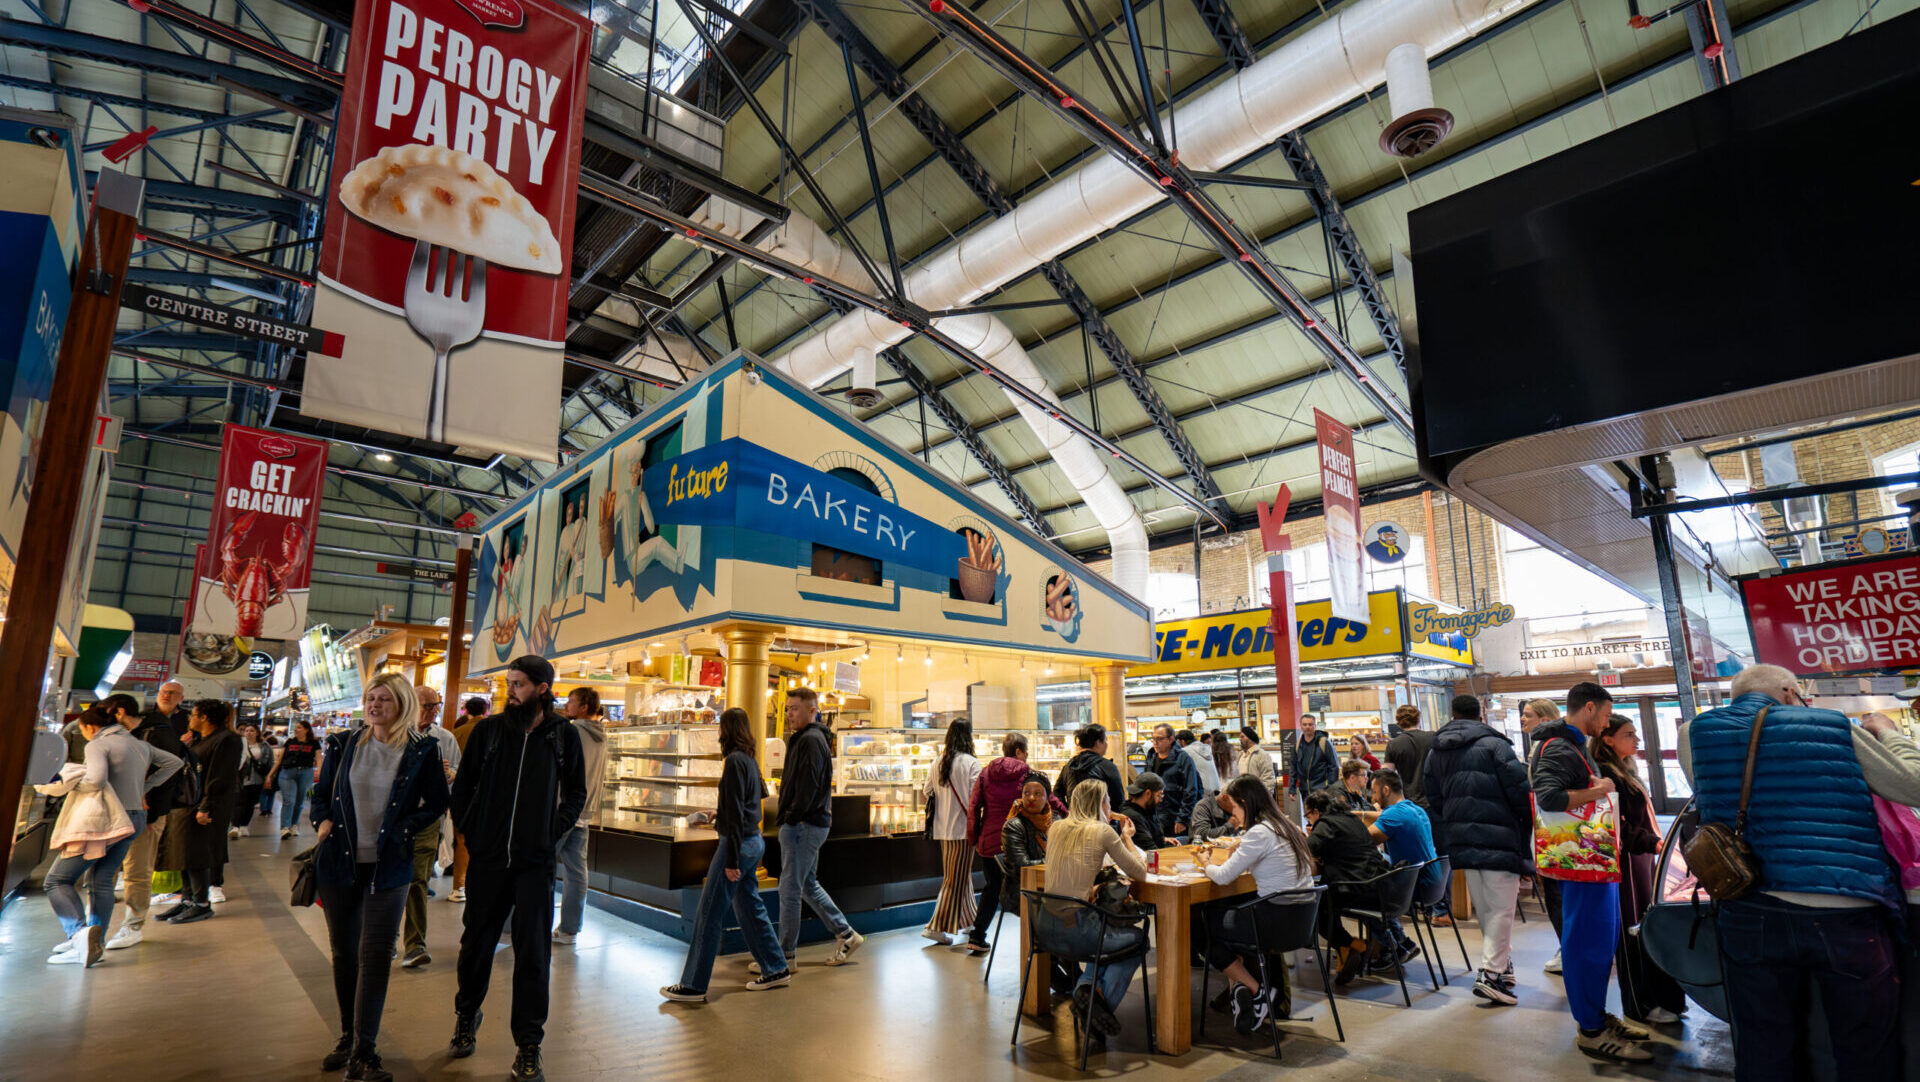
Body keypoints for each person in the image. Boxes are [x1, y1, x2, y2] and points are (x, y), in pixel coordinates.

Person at [1684, 664, 1920, 1082]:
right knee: (1864, 1044)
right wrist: (1889, 733)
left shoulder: (1693, 733)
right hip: (1842, 907)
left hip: (1747, 905)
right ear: (1791, 692)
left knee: (1762, 1044)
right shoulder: (1830, 726)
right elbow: (1912, 785)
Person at [448, 655, 586, 1082]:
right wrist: (471, 830)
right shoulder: (489, 732)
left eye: (520, 684)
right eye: (509, 683)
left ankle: (529, 1045)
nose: (512, 691)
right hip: (488, 861)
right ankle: (466, 1015)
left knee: (533, 955)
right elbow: (464, 785)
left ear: (542, 688)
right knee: (476, 945)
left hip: (534, 864)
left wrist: (550, 834)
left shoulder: (562, 736)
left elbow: (576, 793)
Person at [309, 674, 450, 1082]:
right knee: (343, 952)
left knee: (375, 957)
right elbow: (321, 795)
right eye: (371, 698)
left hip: (389, 866)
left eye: (384, 699)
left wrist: (406, 828)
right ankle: (346, 1037)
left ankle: (365, 1052)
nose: (374, 705)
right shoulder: (343, 743)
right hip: (339, 862)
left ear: (402, 703)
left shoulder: (422, 751)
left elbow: (439, 802)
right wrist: (323, 820)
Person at [1530, 681, 1651, 1065]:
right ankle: (1591, 1031)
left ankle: (1595, 1017)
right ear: (1588, 707)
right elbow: (1547, 797)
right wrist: (1601, 791)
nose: (1606, 722)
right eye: (1604, 714)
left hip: (1592, 861)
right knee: (1586, 946)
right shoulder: (1558, 748)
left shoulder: (1572, 745)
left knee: (1600, 944)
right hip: (1579, 865)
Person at [660, 708, 792, 1002]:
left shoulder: (733, 761)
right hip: (752, 840)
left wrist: (731, 860)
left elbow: (735, 814)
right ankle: (776, 966)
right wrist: (719, 815)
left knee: (709, 913)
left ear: (726, 730)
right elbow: (753, 801)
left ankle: (694, 985)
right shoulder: (749, 759)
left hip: (737, 845)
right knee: (748, 907)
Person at [40, 704, 182, 966]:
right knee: (102, 880)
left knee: (57, 880)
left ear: (90, 727)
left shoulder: (97, 745)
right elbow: (175, 762)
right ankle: (95, 942)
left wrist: (66, 784)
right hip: (134, 817)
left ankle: (79, 935)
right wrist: (145, 787)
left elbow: (95, 780)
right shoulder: (139, 744)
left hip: (104, 820)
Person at [1421, 693, 1532, 1006]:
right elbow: (1520, 792)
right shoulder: (1496, 745)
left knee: (1487, 908)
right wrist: (1524, 823)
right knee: (1501, 908)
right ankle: (1490, 973)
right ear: (1481, 712)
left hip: (1460, 836)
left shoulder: (1436, 751)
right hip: (1499, 835)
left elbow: (1434, 796)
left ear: (1453, 714)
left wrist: (1455, 818)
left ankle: (1502, 966)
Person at [1592, 714, 1685, 1026]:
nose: (1637, 740)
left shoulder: (1625, 769)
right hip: (1628, 861)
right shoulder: (1606, 774)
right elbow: (1618, 825)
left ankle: (1659, 999)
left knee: (1648, 926)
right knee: (1633, 932)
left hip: (1643, 858)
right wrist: (1652, 843)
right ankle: (1640, 1005)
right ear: (1608, 739)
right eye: (1629, 734)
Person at [1203, 776, 1315, 1032]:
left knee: (1201, 929)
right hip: (1300, 923)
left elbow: (1223, 877)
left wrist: (1205, 862)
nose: (1234, 814)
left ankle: (1257, 990)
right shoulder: (1286, 825)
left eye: (1234, 807)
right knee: (1228, 914)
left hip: (1272, 924)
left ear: (1245, 803)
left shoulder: (1259, 833)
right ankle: (1241, 988)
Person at [1043, 779, 1150, 1046]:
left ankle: (1087, 993)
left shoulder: (1055, 827)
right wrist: (1126, 838)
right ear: (1101, 803)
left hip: (1046, 928)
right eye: (1109, 801)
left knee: (1106, 935)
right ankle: (1095, 1007)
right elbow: (1139, 872)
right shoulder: (1102, 831)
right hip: (1081, 928)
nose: (1111, 805)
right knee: (1138, 941)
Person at [771, 687, 863, 968]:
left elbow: (808, 786)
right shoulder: (807, 738)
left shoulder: (810, 740)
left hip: (804, 824)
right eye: (787, 708)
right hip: (809, 823)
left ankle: (784, 957)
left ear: (812, 711)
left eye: (795, 708)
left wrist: (791, 814)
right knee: (806, 885)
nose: (789, 714)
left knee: (789, 888)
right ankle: (847, 935)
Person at [106, 693, 187, 949]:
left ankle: (133, 925)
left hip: (146, 814)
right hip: (122, 810)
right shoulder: (137, 734)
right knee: (119, 868)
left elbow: (171, 770)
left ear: (119, 712)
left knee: (138, 869)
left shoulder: (157, 733)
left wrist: (149, 803)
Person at [1303, 789, 1402, 985]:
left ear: (1315, 811)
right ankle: (1346, 951)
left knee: (1315, 906)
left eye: (1308, 816)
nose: (1309, 820)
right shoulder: (1352, 819)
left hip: (1359, 889)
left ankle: (1351, 945)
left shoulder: (1326, 823)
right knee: (1325, 900)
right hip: (1379, 885)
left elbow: (1307, 849)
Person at [156, 699, 241, 924]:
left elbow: (220, 776)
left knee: (198, 854)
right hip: (187, 803)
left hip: (205, 806)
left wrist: (206, 807)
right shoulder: (200, 739)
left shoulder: (227, 740)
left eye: (193, 714)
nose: (189, 718)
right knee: (183, 852)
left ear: (204, 717)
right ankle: (188, 899)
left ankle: (201, 902)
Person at [398, 685, 460, 968]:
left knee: (417, 880)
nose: (433, 711)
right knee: (384, 880)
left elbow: (460, 772)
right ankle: (383, 939)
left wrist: (450, 774)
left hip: (427, 819)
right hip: (393, 818)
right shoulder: (395, 733)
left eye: (436, 705)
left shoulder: (444, 738)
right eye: (427, 706)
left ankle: (415, 944)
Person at [968, 733, 1046, 953]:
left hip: (990, 842)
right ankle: (1038, 940)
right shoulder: (1028, 773)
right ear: (1019, 751)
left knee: (992, 887)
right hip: (1019, 841)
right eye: (1026, 750)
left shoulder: (985, 773)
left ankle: (977, 934)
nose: (1028, 755)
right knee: (1033, 889)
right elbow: (1046, 799)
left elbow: (974, 807)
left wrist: (973, 837)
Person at [552, 687, 607, 947]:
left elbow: (562, 772)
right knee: (576, 872)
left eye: (571, 701)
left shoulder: (572, 731)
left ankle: (526, 924)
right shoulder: (601, 735)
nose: (567, 705)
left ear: (584, 706)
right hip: (585, 812)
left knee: (540, 866)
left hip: (563, 810)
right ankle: (569, 930)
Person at [923, 719, 982, 946]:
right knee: (954, 879)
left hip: (943, 828)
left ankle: (969, 920)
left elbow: (927, 791)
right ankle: (935, 928)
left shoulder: (938, 761)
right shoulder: (970, 762)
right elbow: (975, 799)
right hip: (963, 829)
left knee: (960, 874)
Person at [1519, 696, 1566, 970]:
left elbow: (1547, 796)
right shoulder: (1544, 747)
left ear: (1545, 720)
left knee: (1556, 893)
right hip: (1553, 830)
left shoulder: (1545, 748)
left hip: (1553, 832)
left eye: (1528, 715)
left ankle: (1567, 949)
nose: (1523, 719)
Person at [1356, 769, 1443, 897]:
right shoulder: (1417, 809)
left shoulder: (1394, 814)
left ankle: (1386, 916)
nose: (1373, 798)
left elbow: (1363, 840)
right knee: (1381, 856)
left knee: (1359, 869)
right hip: (1434, 883)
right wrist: (1360, 814)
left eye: (1374, 792)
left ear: (1386, 790)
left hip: (1417, 885)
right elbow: (1384, 817)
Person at [449, 697, 489, 903]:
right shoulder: (493, 730)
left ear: (465, 711)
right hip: (487, 794)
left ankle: (460, 886)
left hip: (463, 793)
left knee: (461, 840)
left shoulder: (458, 733)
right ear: (486, 709)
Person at [1054, 722, 1125, 821]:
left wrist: (1067, 813)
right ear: (1097, 743)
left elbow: (1056, 793)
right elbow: (1119, 800)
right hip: (1100, 824)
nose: (1107, 743)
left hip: (1074, 823)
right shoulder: (1107, 766)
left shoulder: (1069, 766)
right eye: (1105, 739)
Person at [1143, 723, 1199, 838]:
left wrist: (1183, 818)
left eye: (1160, 739)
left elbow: (1191, 790)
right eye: (1153, 738)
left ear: (1171, 739)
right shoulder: (1151, 758)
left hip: (1175, 819)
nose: (1155, 742)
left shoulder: (1183, 759)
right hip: (1155, 818)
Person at [271, 719, 321, 839]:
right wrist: (270, 774)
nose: (295, 729)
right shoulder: (289, 742)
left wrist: (319, 771)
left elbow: (319, 759)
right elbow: (279, 760)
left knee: (299, 801)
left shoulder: (314, 743)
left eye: (299, 727)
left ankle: (294, 825)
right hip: (288, 772)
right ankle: (285, 827)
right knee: (289, 800)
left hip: (306, 772)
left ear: (306, 730)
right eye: (296, 727)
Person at [1383, 705, 1434, 812]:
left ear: (1399, 722)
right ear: (1418, 719)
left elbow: (1387, 775)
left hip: (1408, 802)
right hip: (1433, 800)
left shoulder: (1393, 744)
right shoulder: (1433, 737)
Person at [231, 722, 274, 839]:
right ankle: (235, 826)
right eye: (247, 731)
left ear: (257, 733)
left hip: (257, 778)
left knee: (250, 803)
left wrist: (268, 777)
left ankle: (244, 825)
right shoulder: (239, 744)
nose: (249, 733)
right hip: (241, 778)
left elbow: (270, 762)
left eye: (252, 731)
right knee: (239, 801)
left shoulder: (264, 746)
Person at [1290, 714, 1339, 799]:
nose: (1307, 727)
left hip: (1322, 791)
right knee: (1309, 812)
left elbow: (1334, 766)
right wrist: (1292, 789)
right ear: (1301, 726)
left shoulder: (1324, 743)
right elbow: (1293, 768)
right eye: (1304, 724)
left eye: (1310, 724)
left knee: (1323, 812)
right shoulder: (1298, 745)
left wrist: (1330, 788)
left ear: (1315, 726)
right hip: (1305, 791)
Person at [1117, 772, 1167, 850]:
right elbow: (1150, 850)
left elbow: (1159, 841)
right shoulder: (1132, 817)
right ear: (1148, 793)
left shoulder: (1149, 809)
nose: (1160, 800)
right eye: (1159, 795)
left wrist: (1165, 840)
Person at [1177, 729, 1221, 795]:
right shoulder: (1206, 747)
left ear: (1182, 741)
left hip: (1202, 790)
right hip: (1216, 787)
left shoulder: (1185, 751)